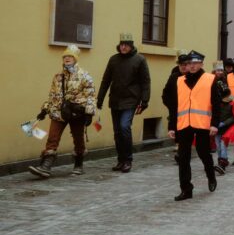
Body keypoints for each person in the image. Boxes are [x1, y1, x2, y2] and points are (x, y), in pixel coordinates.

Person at [29, 45, 95, 178]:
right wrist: (45, 109)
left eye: (70, 56)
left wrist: (89, 113)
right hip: (58, 111)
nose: (67, 58)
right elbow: (53, 95)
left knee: (78, 139)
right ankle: (46, 166)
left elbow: (91, 95)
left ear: (75, 59)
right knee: (52, 137)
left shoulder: (85, 76)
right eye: (65, 56)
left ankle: (78, 165)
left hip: (76, 113)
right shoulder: (58, 76)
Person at [97, 33, 151, 173]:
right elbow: (106, 80)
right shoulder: (113, 59)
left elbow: (145, 81)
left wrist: (145, 100)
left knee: (124, 126)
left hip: (131, 99)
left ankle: (128, 160)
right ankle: (120, 160)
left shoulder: (139, 59)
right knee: (117, 131)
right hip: (115, 99)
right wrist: (100, 99)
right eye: (121, 44)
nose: (123, 47)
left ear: (131, 46)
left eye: (126, 45)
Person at [168, 50, 218, 201]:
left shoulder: (210, 79)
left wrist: (214, 124)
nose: (192, 66)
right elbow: (174, 105)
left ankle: (211, 176)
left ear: (201, 64)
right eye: (189, 63)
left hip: (202, 124)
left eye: (195, 63)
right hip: (184, 124)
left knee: (204, 153)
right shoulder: (179, 80)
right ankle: (186, 189)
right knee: (183, 158)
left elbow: (216, 104)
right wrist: (171, 126)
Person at [163, 49, 189, 164]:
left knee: (186, 133)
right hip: (176, 110)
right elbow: (165, 93)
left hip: (189, 110)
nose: (183, 67)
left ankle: (182, 152)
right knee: (178, 132)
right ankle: (180, 152)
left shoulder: (192, 77)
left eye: (185, 65)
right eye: (181, 65)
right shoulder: (173, 77)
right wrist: (170, 105)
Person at [213, 75, 234, 175]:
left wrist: (224, 123)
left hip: (226, 129)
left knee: (222, 145)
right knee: (218, 146)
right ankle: (220, 161)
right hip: (216, 128)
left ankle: (222, 163)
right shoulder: (216, 103)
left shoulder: (231, 104)